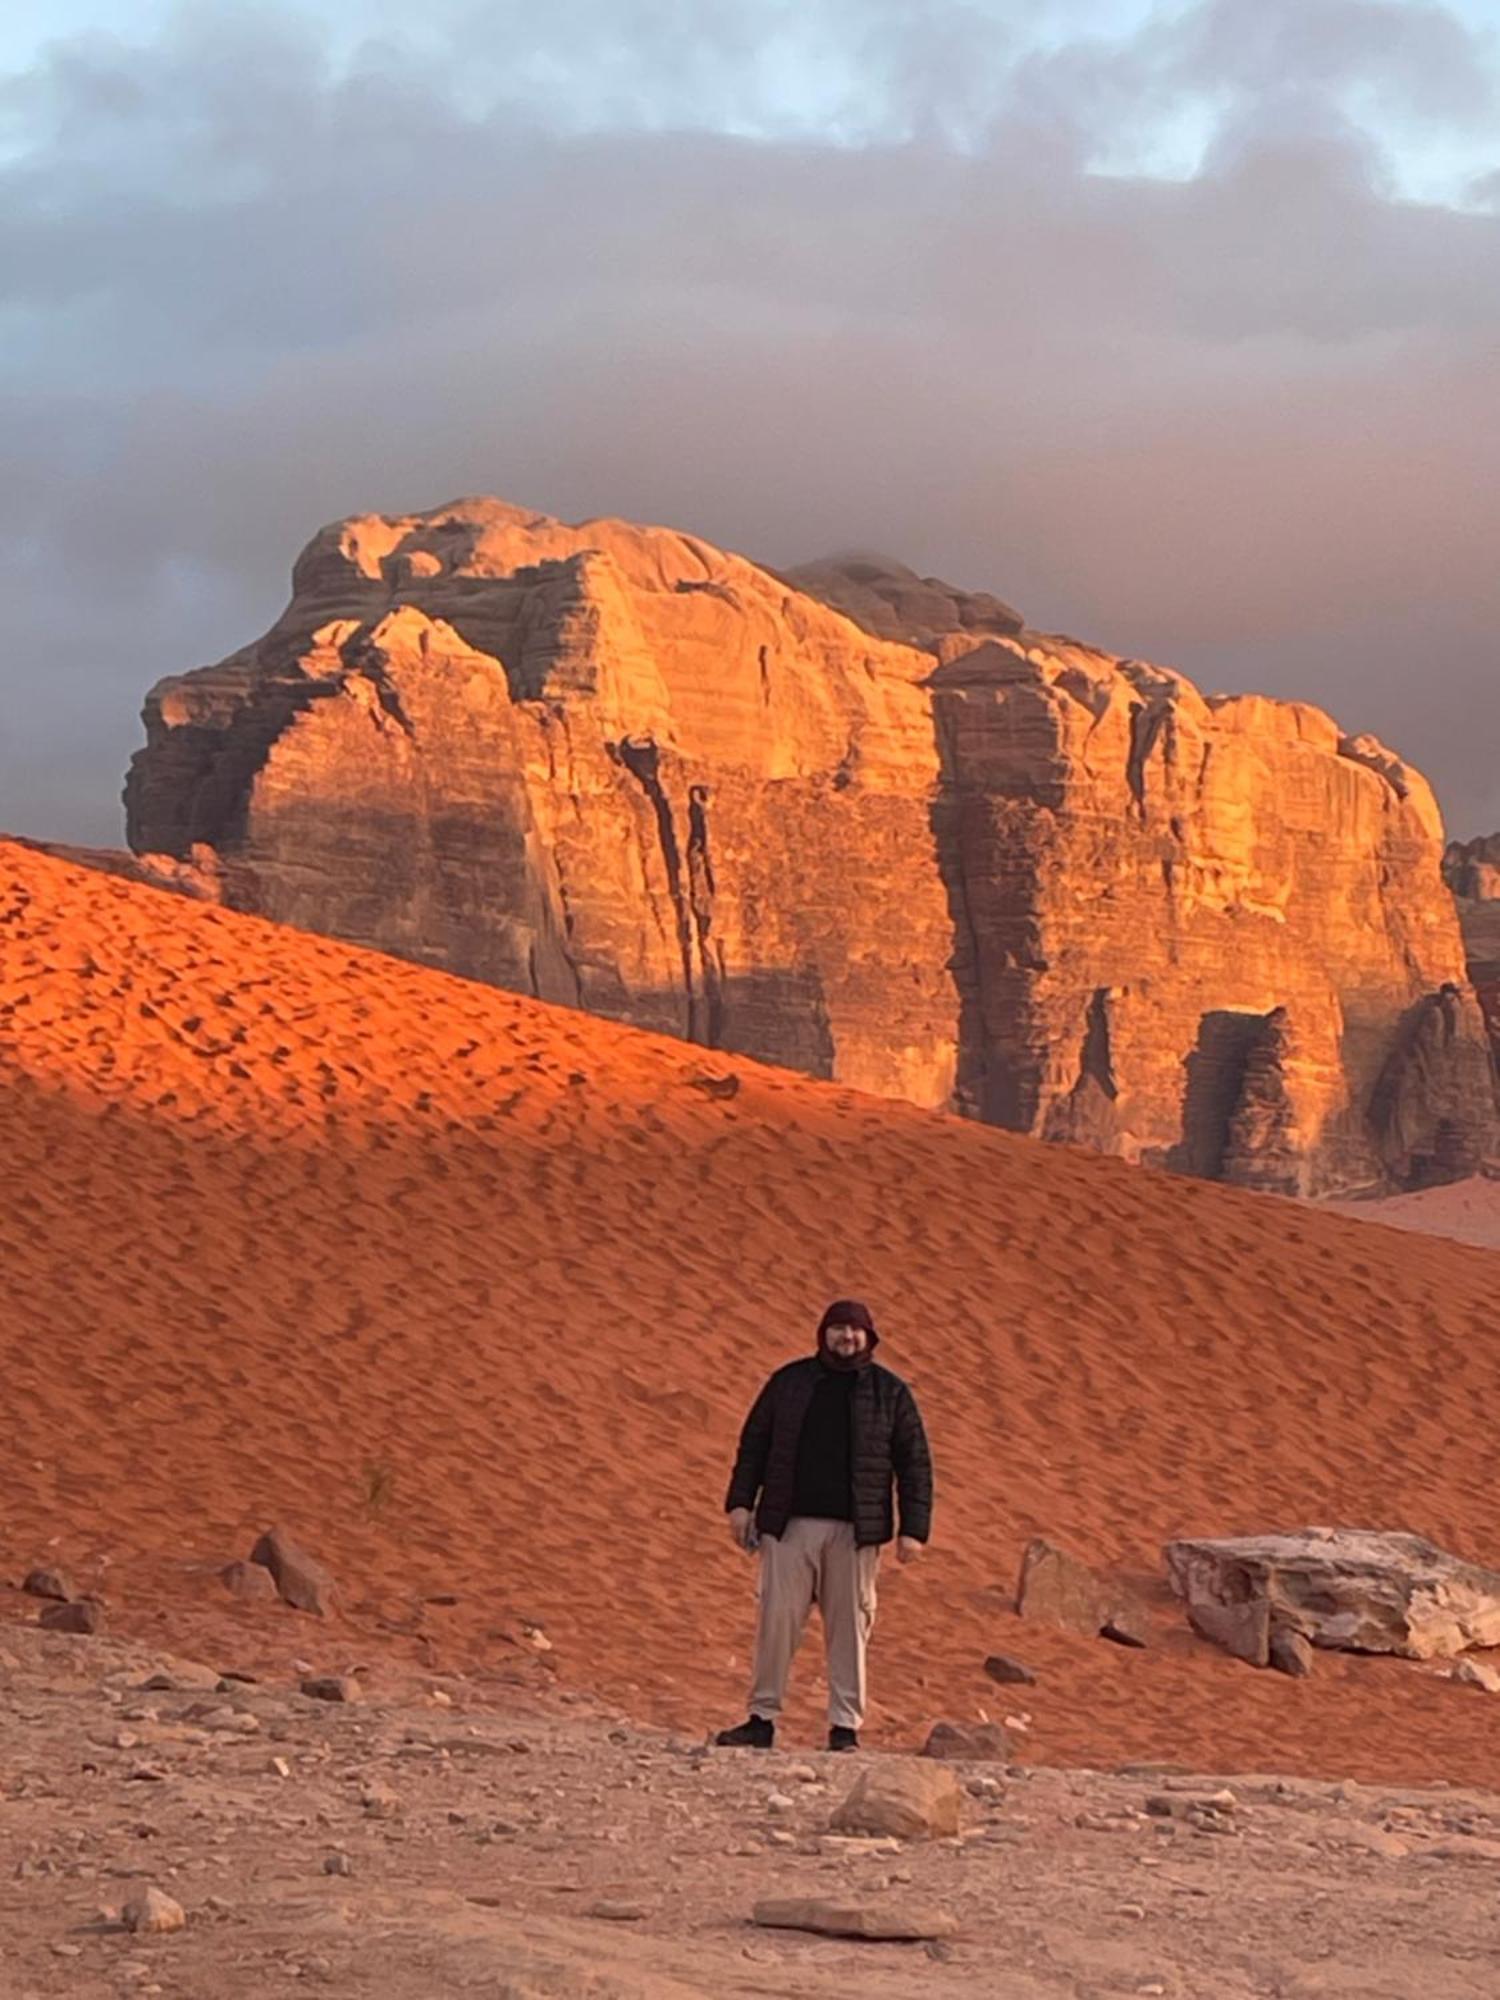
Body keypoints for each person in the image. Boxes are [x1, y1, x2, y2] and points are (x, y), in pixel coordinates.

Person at [715, 1298, 933, 1752]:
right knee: (776, 1623)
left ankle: (844, 1728)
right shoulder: (789, 1383)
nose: (846, 1338)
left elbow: (914, 1464)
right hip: (788, 1526)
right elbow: (753, 1444)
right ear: (823, 1334)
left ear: (869, 1337)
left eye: (855, 1331)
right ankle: (761, 1719)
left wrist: (915, 1529)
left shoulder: (889, 1393)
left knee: (850, 1629)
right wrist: (740, 1504)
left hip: (855, 1534)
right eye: (838, 1329)